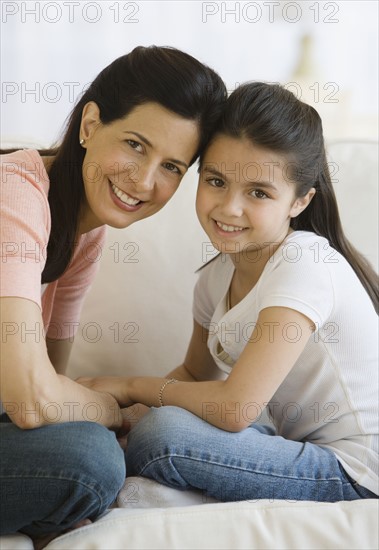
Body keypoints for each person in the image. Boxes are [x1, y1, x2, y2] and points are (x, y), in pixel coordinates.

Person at [78, 82, 378, 503]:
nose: (228, 208)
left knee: (164, 434)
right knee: (137, 425)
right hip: (289, 444)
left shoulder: (304, 263)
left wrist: (128, 386)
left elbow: (236, 409)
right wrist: (119, 413)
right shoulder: (216, 277)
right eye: (216, 180)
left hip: (356, 470)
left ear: (299, 201)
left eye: (258, 193)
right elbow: (196, 377)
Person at [0, 45, 227, 542]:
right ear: (89, 125)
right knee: (91, 460)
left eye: (172, 167)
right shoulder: (16, 195)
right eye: (135, 144)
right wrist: (112, 407)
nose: (144, 181)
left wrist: (87, 409)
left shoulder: (86, 232)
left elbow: (49, 384)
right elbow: (32, 400)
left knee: (90, 448)